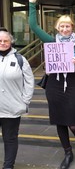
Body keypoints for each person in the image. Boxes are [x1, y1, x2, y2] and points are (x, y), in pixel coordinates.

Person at [28, 0, 75, 169]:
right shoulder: (50, 42)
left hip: (73, 86)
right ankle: (68, 153)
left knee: (73, 123)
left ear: (72, 27)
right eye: (62, 26)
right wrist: (32, 4)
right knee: (59, 121)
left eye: (68, 26)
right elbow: (33, 26)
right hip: (55, 86)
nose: (65, 29)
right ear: (57, 28)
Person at [0, 30, 34, 169]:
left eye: (5, 41)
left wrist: (24, 101)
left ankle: (8, 166)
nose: (2, 43)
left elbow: (29, 81)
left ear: (11, 42)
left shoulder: (20, 59)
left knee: (10, 139)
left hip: (11, 109)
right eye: (0, 41)